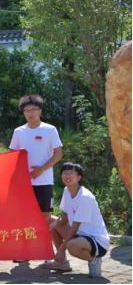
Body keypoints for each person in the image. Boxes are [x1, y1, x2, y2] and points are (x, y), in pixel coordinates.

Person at [43, 163, 110, 279]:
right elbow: (66, 214)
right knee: (51, 221)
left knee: (71, 246)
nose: (67, 176)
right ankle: (62, 263)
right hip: (80, 235)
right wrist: (56, 223)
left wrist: (62, 249)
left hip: (97, 241)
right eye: (65, 173)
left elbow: (75, 226)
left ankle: (94, 261)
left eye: (71, 173)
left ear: (79, 177)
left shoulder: (84, 197)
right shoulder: (67, 190)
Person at [9, 95, 63, 226]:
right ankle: (28, 240)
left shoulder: (49, 129)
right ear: (23, 113)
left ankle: (55, 237)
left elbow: (58, 154)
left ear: (40, 111)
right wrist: (19, 154)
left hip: (43, 180)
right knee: (24, 214)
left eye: (33, 109)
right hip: (24, 181)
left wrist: (42, 169)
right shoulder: (18, 131)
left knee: (45, 215)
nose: (30, 113)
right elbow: (12, 156)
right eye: (26, 110)